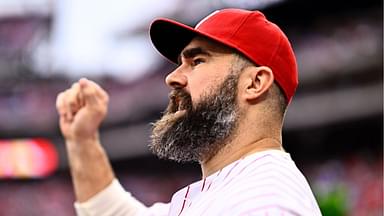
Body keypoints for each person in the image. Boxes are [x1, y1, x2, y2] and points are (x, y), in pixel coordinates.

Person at [56, 8, 322, 216]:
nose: (172, 77)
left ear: (254, 83)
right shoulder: (232, 190)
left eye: (197, 61)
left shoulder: (264, 203)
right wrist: (83, 140)